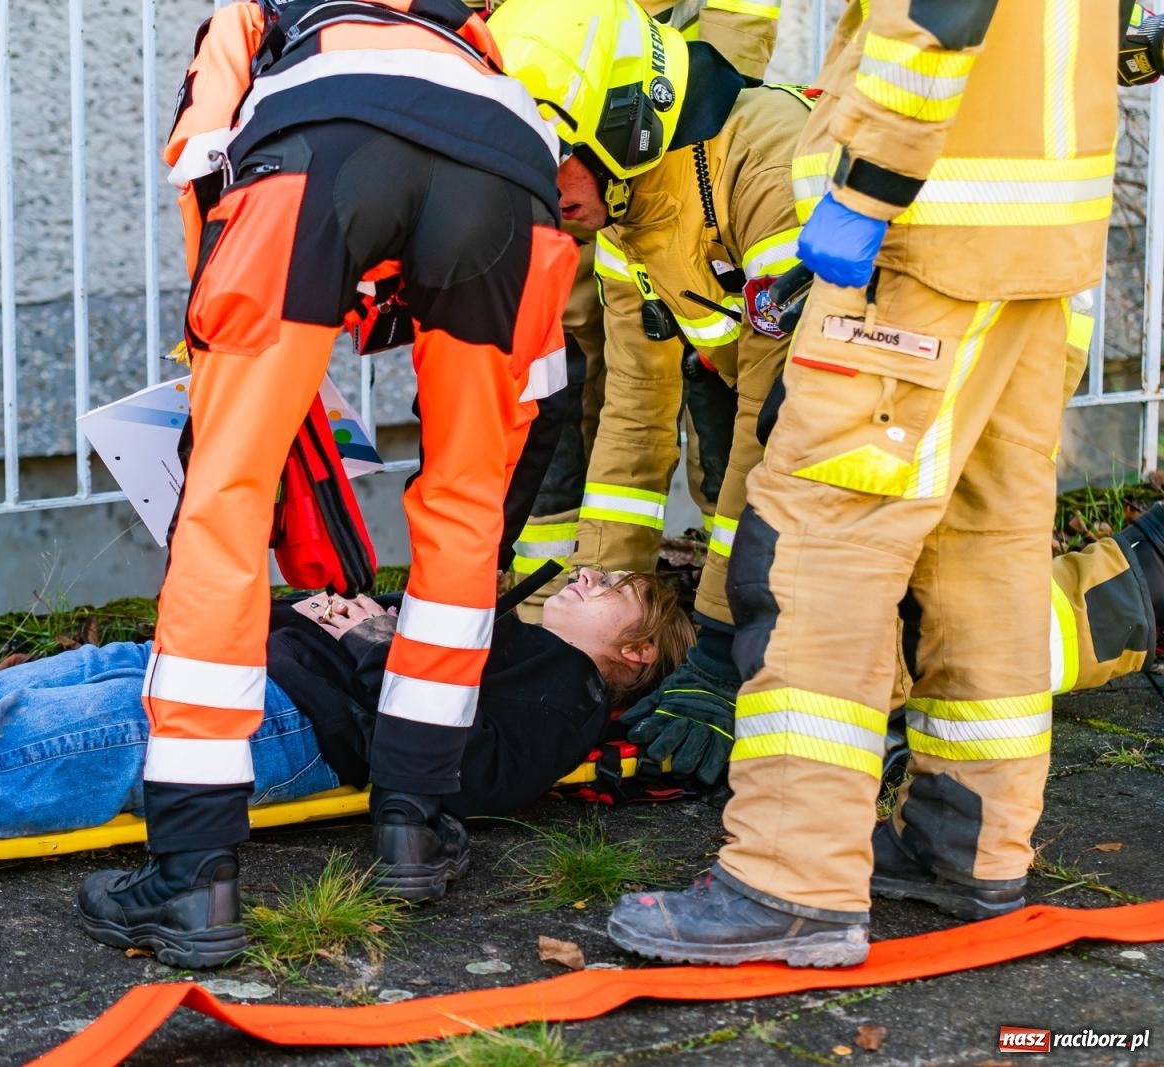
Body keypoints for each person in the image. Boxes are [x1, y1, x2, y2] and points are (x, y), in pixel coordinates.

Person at [603, 0, 1120, 967]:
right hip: (1033, 228)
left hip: (918, 230)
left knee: (812, 546)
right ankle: (965, 847)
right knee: (983, 552)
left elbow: (940, 14)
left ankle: (791, 880)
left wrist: (870, 187)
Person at [103, 0, 581, 969]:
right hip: (507, 174)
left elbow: (201, 156)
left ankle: (192, 870)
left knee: (224, 501)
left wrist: (225, 365)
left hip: (312, 163)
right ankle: (415, 818)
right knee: (464, 499)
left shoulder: (259, 9)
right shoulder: (467, 29)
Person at [0, 570, 692, 967]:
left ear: (634, 651)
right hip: (229, 668)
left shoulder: (567, 686)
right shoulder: (522, 637)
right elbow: (423, 675)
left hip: (269, 723)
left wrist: (366, 641)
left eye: (615, 588)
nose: (588, 571)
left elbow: (471, 764)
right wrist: (358, 616)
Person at [487, 0, 808, 780]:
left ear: (623, 121)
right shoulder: (624, 209)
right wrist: (580, 648)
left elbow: (776, 426)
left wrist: (725, 643)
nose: (533, 196)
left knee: (923, 641)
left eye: (543, 162)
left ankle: (1142, 577)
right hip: (815, 417)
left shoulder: (768, 168)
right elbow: (632, 423)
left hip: (922, 419)